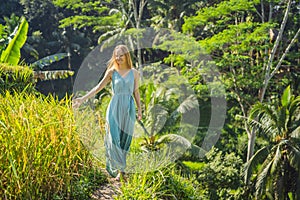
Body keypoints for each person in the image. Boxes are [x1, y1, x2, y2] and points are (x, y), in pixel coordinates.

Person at [73, 44, 142, 181]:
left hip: (128, 108)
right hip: (114, 107)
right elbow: (98, 87)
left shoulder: (134, 73)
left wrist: (139, 109)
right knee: (114, 138)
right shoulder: (112, 72)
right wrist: (82, 99)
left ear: (126, 56)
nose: (118, 58)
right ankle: (118, 171)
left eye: (121, 55)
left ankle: (122, 171)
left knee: (125, 139)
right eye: (116, 55)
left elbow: (136, 92)